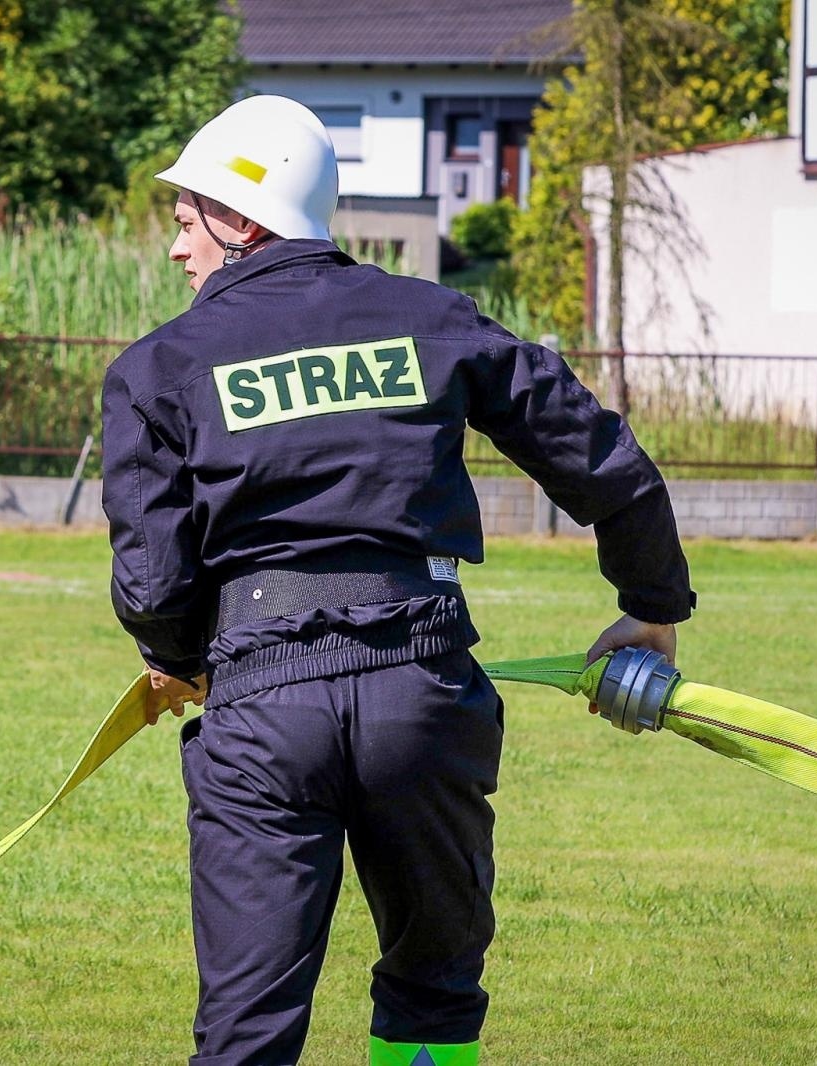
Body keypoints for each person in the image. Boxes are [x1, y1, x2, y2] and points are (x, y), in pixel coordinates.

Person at [100, 94, 694, 1066]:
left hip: (260, 706)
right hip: (423, 690)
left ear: (240, 218)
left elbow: (151, 575)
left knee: (246, 1030)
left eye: (183, 221)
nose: (177, 250)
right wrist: (650, 611)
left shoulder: (157, 367)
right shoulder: (432, 316)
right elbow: (606, 463)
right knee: (434, 988)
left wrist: (173, 657)